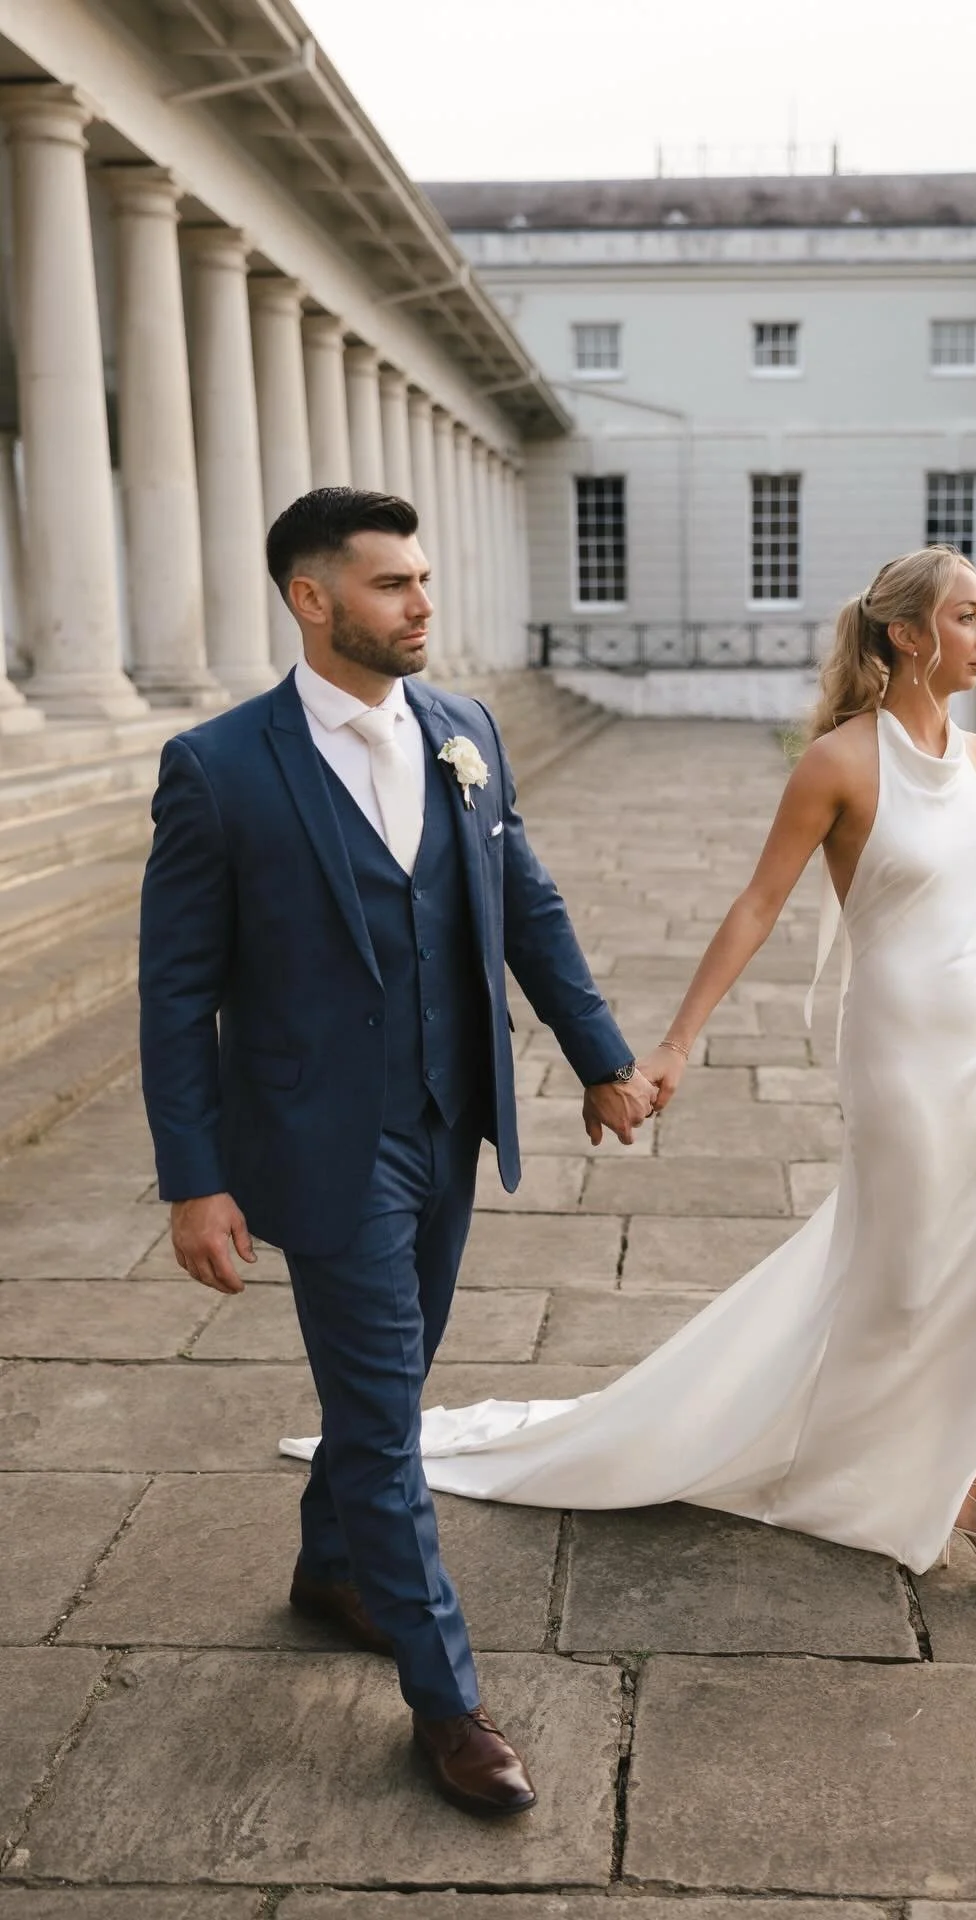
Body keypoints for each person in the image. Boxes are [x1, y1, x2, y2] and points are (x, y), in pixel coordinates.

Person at [297, 544, 976, 1608]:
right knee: (913, 1281)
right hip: (903, 1056)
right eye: (971, 618)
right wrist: (675, 1043)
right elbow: (756, 906)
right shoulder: (840, 763)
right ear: (908, 635)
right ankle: (807, 1444)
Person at [139, 487, 654, 1817]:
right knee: (383, 1418)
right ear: (314, 601)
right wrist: (194, 1178)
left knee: (396, 1381)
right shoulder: (221, 767)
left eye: (423, 581)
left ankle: (329, 1571)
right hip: (320, 1144)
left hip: (447, 1118)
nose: (422, 604)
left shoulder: (466, 731)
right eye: (390, 585)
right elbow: (174, 989)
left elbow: (523, 904)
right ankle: (450, 1701)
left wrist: (599, 1057)